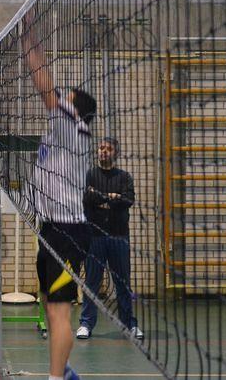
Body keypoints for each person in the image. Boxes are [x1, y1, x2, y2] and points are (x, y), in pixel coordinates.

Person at [23, 10, 97, 380]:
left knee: (59, 311)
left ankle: (56, 378)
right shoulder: (61, 132)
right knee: (53, 310)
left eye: (67, 100)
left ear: (76, 111)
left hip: (68, 233)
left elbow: (44, 87)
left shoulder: (74, 129)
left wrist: (29, 40)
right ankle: (62, 370)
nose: (60, 101)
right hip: (52, 229)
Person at [77, 138, 144, 340]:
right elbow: (87, 198)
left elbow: (128, 200)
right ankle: (86, 324)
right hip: (94, 236)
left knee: (122, 283)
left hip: (118, 237)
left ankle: (129, 325)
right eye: (101, 148)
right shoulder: (90, 174)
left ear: (115, 153)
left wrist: (102, 199)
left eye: (108, 149)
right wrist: (111, 198)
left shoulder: (124, 177)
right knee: (92, 282)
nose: (104, 151)